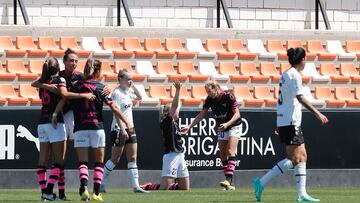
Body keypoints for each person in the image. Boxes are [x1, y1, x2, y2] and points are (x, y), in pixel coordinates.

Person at [252, 47, 328, 202]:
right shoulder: (295, 76)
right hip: (291, 122)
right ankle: (262, 182)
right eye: (305, 59)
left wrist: (280, 121)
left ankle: (301, 193)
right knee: (294, 159)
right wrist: (318, 113)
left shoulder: (286, 74)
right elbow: (300, 98)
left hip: (287, 120)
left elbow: (285, 100)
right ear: (302, 60)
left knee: (301, 157)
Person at [53, 58, 132, 201]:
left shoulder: (76, 86)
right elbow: (114, 107)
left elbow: (64, 98)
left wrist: (54, 114)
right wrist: (127, 123)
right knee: (98, 163)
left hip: (81, 127)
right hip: (97, 127)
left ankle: (83, 187)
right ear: (97, 71)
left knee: (83, 162)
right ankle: (96, 193)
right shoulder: (101, 87)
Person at [32, 57, 93, 201]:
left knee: (42, 161)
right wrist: (83, 95)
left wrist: (46, 86)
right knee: (59, 161)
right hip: (55, 122)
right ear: (58, 68)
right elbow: (64, 97)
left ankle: (46, 194)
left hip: (42, 123)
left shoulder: (42, 82)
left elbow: (35, 84)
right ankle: (49, 191)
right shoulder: (60, 80)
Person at [181, 81, 242, 190]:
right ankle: (230, 184)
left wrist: (228, 123)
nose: (208, 93)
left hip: (234, 125)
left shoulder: (228, 96)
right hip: (222, 127)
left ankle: (228, 180)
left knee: (230, 151)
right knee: (223, 155)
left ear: (216, 88)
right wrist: (190, 126)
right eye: (207, 92)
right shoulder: (209, 100)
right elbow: (202, 114)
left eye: (209, 91)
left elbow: (237, 114)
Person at [101, 69, 148, 193]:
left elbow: (140, 97)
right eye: (128, 79)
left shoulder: (128, 91)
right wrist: (122, 129)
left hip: (130, 127)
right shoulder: (117, 93)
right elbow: (116, 111)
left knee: (132, 157)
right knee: (115, 159)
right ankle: (100, 183)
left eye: (131, 79)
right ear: (120, 79)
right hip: (118, 128)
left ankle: (136, 186)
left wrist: (133, 85)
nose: (130, 81)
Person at [139, 80, 190, 191]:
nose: (177, 112)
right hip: (171, 156)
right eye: (174, 110)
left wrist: (180, 91)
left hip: (180, 155)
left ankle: (155, 186)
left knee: (185, 188)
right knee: (163, 189)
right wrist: (177, 90)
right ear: (168, 113)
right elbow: (176, 105)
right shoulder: (166, 122)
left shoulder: (174, 122)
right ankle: (149, 186)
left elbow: (178, 106)